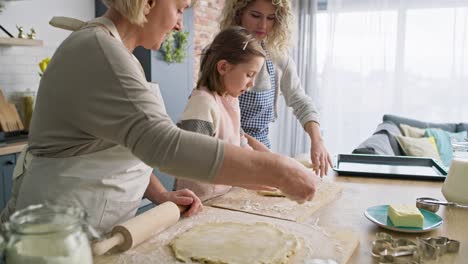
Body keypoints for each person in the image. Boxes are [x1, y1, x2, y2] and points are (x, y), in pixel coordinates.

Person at [0, 0, 319, 233]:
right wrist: (278, 170)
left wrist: (161, 194)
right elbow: (164, 146)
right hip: (56, 237)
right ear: (149, 2)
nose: (180, 23)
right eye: (180, 9)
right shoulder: (99, 52)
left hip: (91, 230)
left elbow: (127, 146)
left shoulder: (117, 53)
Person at [219, 0, 333, 177]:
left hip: (262, 153)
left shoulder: (278, 58)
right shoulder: (220, 55)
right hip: (226, 155)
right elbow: (224, 121)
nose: (263, 25)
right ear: (239, 13)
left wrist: (317, 140)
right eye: (255, 16)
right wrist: (271, 159)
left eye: (271, 18)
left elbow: (300, 101)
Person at [176, 26, 269, 201]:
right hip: (197, 200)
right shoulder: (202, 103)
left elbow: (241, 144)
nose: (252, 83)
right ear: (223, 67)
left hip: (221, 196)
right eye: (249, 74)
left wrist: (263, 169)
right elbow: (195, 160)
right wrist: (245, 180)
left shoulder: (231, 101)